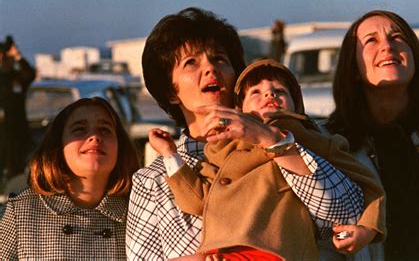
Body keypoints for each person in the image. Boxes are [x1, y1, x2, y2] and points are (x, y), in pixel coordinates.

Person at [126, 7, 365, 260]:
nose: (210, 69)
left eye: (220, 59)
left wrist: (272, 141)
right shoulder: (154, 181)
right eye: (191, 62)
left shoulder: (291, 141)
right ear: (170, 92)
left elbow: (348, 216)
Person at [148, 59, 386, 259]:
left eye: (280, 91)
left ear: (297, 106)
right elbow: (197, 201)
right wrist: (170, 155)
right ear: (239, 109)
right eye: (256, 92)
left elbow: (369, 184)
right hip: (222, 252)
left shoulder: (311, 140)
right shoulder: (221, 150)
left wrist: (368, 229)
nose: (270, 94)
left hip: (277, 250)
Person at [323, 10, 419, 261]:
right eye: (371, 40)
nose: (387, 46)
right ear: (354, 68)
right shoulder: (328, 145)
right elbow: (321, 241)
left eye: (397, 37)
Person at [0, 97, 140, 259]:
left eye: (105, 130)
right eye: (80, 129)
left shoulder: (138, 211)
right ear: (58, 146)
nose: (94, 137)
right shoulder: (23, 211)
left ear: (120, 147)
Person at [0, 36, 36, 180]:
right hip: (2, 131)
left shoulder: (16, 77)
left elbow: (30, 74)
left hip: (16, 131)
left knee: (17, 170)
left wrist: (17, 55)